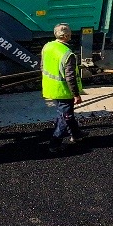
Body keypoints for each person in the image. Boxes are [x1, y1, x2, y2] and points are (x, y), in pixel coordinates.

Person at [41, 22, 86, 153]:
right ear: (66, 36)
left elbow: (42, 66)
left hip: (50, 88)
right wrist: (76, 95)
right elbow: (70, 78)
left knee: (67, 115)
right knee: (64, 118)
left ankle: (76, 135)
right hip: (63, 91)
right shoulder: (68, 54)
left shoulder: (47, 46)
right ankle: (54, 145)